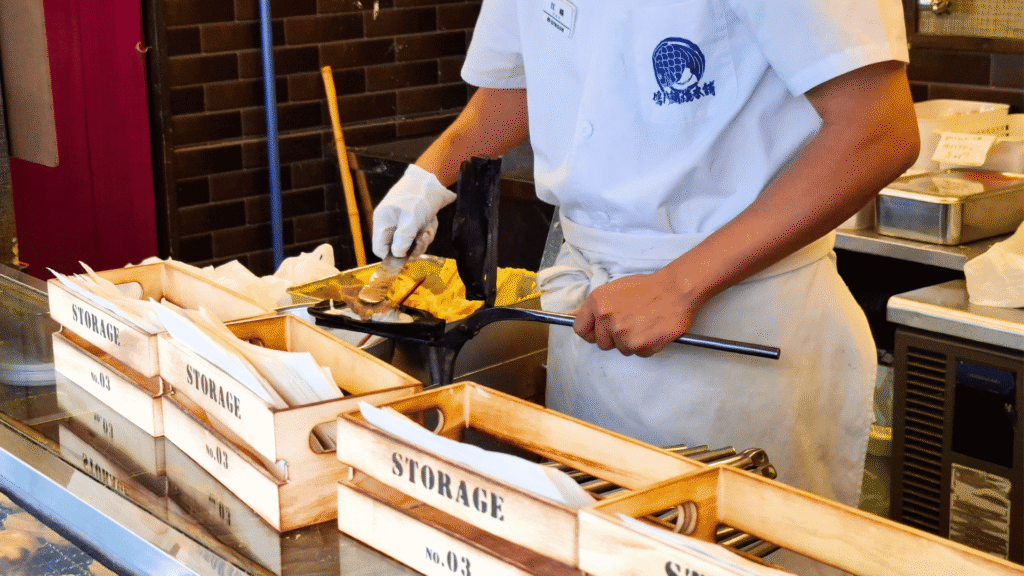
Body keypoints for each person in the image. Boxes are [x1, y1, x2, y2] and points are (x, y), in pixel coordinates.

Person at [372, 0, 919, 553]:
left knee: (735, 555)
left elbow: (879, 129)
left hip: (741, 326)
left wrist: (681, 285)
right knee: (602, 546)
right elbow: (523, 84)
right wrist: (429, 175)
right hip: (592, 329)